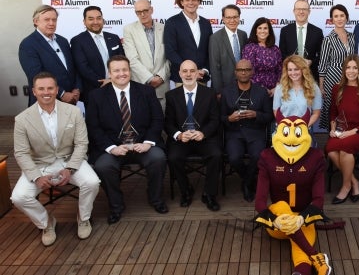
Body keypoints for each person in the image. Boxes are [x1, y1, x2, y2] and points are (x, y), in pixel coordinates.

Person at [11, 72, 100, 246]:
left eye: (50, 88)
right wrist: (36, 176)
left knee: (92, 182)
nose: (46, 92)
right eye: (41, 88)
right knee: (19, 197)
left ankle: (83, 218)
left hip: (69, 160)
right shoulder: (22, 119)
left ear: (57, 90)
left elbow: (82, 143)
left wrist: (70, 168)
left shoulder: (73, 112)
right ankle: (46, 223)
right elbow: (21, 153)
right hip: (39, 165)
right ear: (34, 91)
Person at [86, 55, 168, 224]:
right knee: (103, 166)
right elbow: (93, 127)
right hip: (114, 147)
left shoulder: (146, 91)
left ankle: (156, 199)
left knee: (158, 158)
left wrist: (148, 143)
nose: (121, 73)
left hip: (142, 144)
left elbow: (157, 119)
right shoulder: (96, 96)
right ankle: (116, 206)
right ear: (109, 73)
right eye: (116, 70)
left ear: (130, 71)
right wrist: (111, 148)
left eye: (124, 69)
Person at [254, 116, 331, 275]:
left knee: (299, 234)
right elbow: (260, 202)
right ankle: (316, 256)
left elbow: (318, 200)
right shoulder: (267, 156)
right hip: (278, 222)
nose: (290, 140)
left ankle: (301, 271)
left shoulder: (315, 157)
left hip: (304, 219)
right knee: (282, 205)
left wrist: (301, 218)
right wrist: (275, 220)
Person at [165, 60, 222, 210]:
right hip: (182, 139)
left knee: (216, 155)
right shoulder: (171, 95)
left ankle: (209, 194)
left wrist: (203, 133)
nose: (188, 74)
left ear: (198, 73)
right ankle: (185, 191)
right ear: (179, 74)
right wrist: (178, 135)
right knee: (173, 157)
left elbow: (215, 120)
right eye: (185, 71)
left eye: (192, 71)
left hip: (204, 138)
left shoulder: (209, 94)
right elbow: (168, 123)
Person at [326, 55, 359, 204]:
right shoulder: (337, 88)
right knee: (329, 148)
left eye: (355, 68)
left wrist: (352, 132)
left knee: (344, 148)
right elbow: (333, 112)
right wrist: (333, 128)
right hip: (342, 131)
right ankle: (354, 181)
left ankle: (346, 186)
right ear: (344, 70)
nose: (351, 71)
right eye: (348, 67)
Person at [221, 59, 273, 202]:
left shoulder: (261, 92)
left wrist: (256, 115)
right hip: (234, 133)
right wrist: (229, 119)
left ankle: (246, 183)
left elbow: (269, 116)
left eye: (247, 69)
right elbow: (220, 117)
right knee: (233, 158)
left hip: (255, 132)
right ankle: (249, 179)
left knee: (258, 156)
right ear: (235, 72)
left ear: (252, 72)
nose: (243, 72)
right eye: (240, 70)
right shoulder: (226, 92)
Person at [19, 5, 81, 106]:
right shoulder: (28, 44)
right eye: (47, 20)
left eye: (54, 20)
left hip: (70, 100)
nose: (51, 23)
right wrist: (62, 93)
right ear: (36, 21)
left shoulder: (63, 41)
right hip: (46, 102)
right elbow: (36, 76)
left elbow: (74, 67)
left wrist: (77, 89)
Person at [122, 0, 170, 111]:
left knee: (163, 124)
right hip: (140, 85)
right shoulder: (129, 30)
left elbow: (170, 56)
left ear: (151, 10)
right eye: (138, 12)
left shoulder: (164, 28)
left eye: (145, 10)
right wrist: (149, 78)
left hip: (162, 86)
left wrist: (161, 77)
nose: (142, 14)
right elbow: (132, 59)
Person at [71, 5, 125, 103]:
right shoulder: (77, 41)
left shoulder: (114, 38)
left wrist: (113, 80)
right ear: (84, 22)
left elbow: (122, 61)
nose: (95, 22)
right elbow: (83, 67)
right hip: (93, 91)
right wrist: (103, 82)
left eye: (99, 18)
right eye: (91, 19)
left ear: (103, 20)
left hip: (118, 87)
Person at [164, 0, 213, 85]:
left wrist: (205, 70)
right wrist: (189, 71)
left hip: (201, 77)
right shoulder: (172, 22)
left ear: (199, 2)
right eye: (187, 0)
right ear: (182, 2)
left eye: (194, 0)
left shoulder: (206, 23)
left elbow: (210, 50)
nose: (191, 3)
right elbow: (170, 51)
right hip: (182, 78)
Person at [318, 4, 355, 130]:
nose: (339, 19)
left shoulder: (352, 37)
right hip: (332, 79)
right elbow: (322, 64)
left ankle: (346, 137)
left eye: (342, 16)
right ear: (332, 20)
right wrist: (321, 86)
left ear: (346, 18)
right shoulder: (328, 39)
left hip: (350, 77)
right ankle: (331, 137)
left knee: (348, 107)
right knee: (333, 108)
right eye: (336, 16)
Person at [279, 0, 324, 81]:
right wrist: (292, 63)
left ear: (309, 12)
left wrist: (311, 62)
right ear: (294, 11)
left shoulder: (317, 32)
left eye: (304, 9)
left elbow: (322, 54)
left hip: (310, 76)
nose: (301, 12)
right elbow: (282, 53)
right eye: (298, 9)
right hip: (290, 76)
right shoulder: (285, 31)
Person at [273, 55, 322, 129]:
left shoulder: (314, 88)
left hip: (304, 129)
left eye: (296, 69)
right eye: (290, 70)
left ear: (303, 70)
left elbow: (316, 113)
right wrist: (286, 127)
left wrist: (303, 127)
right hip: (284, 130)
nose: (293, 73)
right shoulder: (280, 88)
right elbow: (276, 111)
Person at [208, 4, 248, 96]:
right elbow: (215, 68)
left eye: (235, 17)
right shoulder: (215, 38)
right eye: (228, 17)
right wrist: (218, 92)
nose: (232, 20)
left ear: (239, 17)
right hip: (224, 89)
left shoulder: (243, 35)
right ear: (223, 19)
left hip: (243, 86)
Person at [242, 17, 282, 96]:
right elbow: (248, 72)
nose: (262, 31)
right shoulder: (249, 48)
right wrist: (262, 89)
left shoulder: (275, 49)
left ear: (269, 31)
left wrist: (277, 87)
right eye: (259, 28)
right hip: (256, 91)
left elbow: (280, 70)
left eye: (265, 28)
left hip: (275, 92)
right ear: (255, 31)